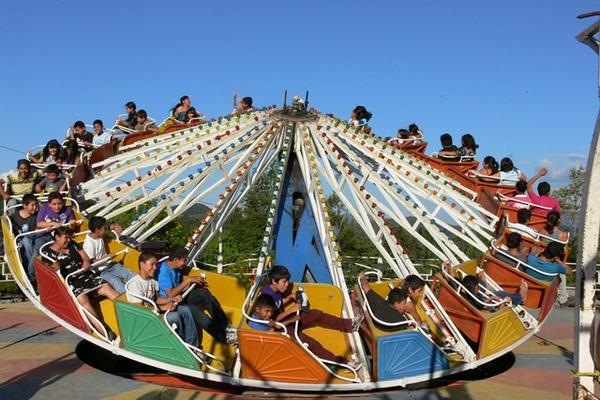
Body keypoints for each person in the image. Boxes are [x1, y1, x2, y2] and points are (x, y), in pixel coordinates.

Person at [261, 265, 363, 366]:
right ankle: (344, 364)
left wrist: (289, 298)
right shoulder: (266, 295)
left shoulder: (276, 290)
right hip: (281, 327)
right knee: (312, 343)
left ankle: (350, 324)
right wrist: (291, 310)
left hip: (286, 319)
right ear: (274, 281)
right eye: (284, 282)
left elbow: (277, 304)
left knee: (316, 314)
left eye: (287, 281)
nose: (287, 285)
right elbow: (272, 320)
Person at [41, 227, 118, 339]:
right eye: (65, 238)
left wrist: (86, 263)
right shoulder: (47, 252)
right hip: (72, 280)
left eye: (69, 237)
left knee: (107, 288)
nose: (68, 240)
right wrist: (56, 267)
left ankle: (130, 313)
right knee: (82, 299)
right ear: (57, 237)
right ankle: (104, 330)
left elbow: (85, 258)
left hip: (85, 275)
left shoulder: (73, 244)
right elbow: (49, 272)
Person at [156, 247, 236, 344]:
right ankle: (223, 337)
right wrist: (188, 280)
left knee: (203, 293)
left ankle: (225, 325)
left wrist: (192, 283)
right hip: (170, 303)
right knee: (193, 310)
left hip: (180, 297)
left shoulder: (175, 268)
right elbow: (171, 293)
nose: (185, 263)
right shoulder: (163, 273)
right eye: (184, 260)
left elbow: (178, 288)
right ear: (176, 260)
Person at [126, 252, 198, 346]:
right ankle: (182, 346)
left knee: (184, 309)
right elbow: (140, 310)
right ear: (142, 264)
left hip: (155, 312)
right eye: (152, 264)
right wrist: (163, 308)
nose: (155, 267)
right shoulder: (135, 284)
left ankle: (192, 345)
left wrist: (171, 299)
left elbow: (156, 299)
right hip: (146, 319)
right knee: (174, 317)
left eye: (156, 264)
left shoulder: (153, 282)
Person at [83, 216, 136, 294]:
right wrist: (107, 257)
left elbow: (108, 228)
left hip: (110, 264)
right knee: (116, 283)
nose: (106, 230)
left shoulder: (99, 236)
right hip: (100, 271)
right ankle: (130, 298)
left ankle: (142, 288)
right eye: (105, 228)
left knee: (129, 273)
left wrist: (114, 226)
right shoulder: (89, 244)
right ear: (97, 230)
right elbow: (92, 262)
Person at [10, 194, 51, 282]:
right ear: (24, 205)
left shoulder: (37, 215)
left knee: (31, 243)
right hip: (22, 241)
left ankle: (31, 270)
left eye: (36, 205)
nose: (35, 207)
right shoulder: (15, 216)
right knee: (25, 241)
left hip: (35, 238)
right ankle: (32, 269)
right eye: (32, 205)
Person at [460, 274, 526, 311]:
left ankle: (519, 297)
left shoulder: (471, 294)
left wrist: (483, 281)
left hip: (490, 301)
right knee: (504, 296)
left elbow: (481, 292)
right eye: (478, 286)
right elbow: (484, 305)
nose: (479, 287)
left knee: (500, 293)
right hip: (493, 307)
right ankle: (520, 297)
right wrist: (491, 298)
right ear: (475, 287)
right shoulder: (474, 298)